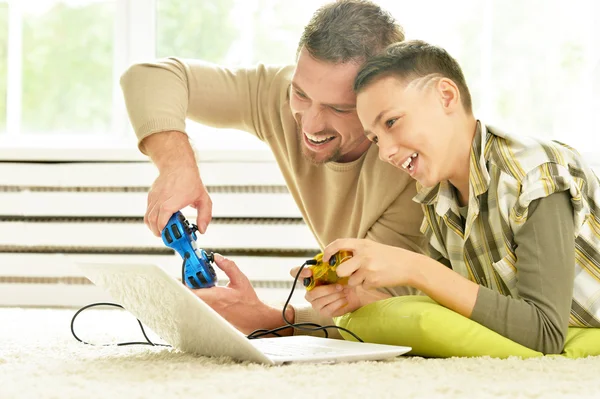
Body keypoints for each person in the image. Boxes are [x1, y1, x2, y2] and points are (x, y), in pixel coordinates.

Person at [120, 0, 426, 337]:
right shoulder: (276, 94)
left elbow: (386, 312)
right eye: (300, 93)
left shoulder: (413, 170)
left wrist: (265, 319)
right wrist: (176, 166)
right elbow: (149, 76)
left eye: (339, 107)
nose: (309, 123)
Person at [319, 39, 600, 354]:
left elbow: (545, 333)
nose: (385, 152)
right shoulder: (437, 202)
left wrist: (414, 267)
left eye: (392, 122)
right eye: (374, 138)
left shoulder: (534, 173)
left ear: (446, 96)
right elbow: (465, 317)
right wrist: (366, 300)